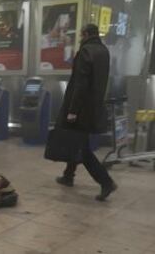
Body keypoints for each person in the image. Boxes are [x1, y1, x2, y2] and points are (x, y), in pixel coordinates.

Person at [55, 24, 117, 202]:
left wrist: (73, 111)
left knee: (82, 148)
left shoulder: (85, 51)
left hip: (81, 109)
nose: (80, 38)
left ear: (86, 34)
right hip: (94, 107)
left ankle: (106, 182)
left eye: (81, 35)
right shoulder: (103, 51)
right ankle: (68, 175)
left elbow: (80, 84)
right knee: (75, 142)